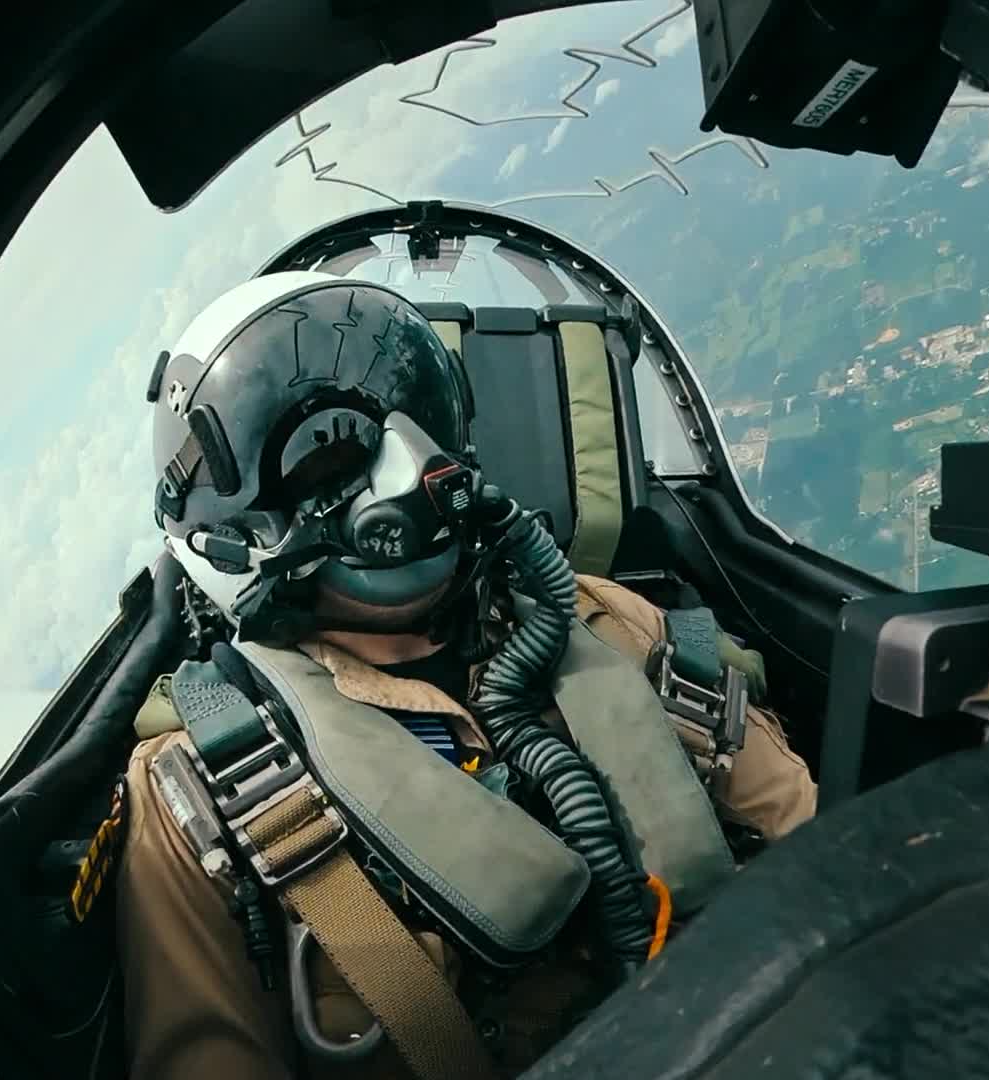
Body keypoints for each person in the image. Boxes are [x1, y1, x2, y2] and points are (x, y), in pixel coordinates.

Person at [114, 271, 817, 1080]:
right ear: (236, 534)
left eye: (420, 422)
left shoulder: (608, 624)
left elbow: (820, 857)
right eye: (332, 453)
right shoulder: (198, 793)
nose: (413, 466)